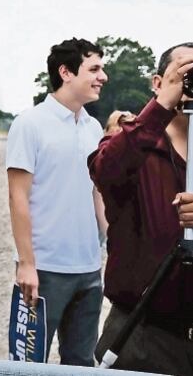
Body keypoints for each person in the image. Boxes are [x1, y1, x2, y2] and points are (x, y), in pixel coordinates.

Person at [89, 42, 193, 373]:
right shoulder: (134, 140)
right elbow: (105, 171)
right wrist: (163, 105)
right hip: (144, 331)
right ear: (157, 82)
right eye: (185, 73)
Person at [6, 38, 108, 366]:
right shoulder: (30, 123)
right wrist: (26, 263)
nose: (102, 76)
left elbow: (96, 192)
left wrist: (110, 242)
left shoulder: (93, 128)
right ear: (66, 72)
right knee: (27, 364)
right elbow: (17, 196)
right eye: (94, 68)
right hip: (44, 269)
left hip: (89, 268)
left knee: (81, 363)